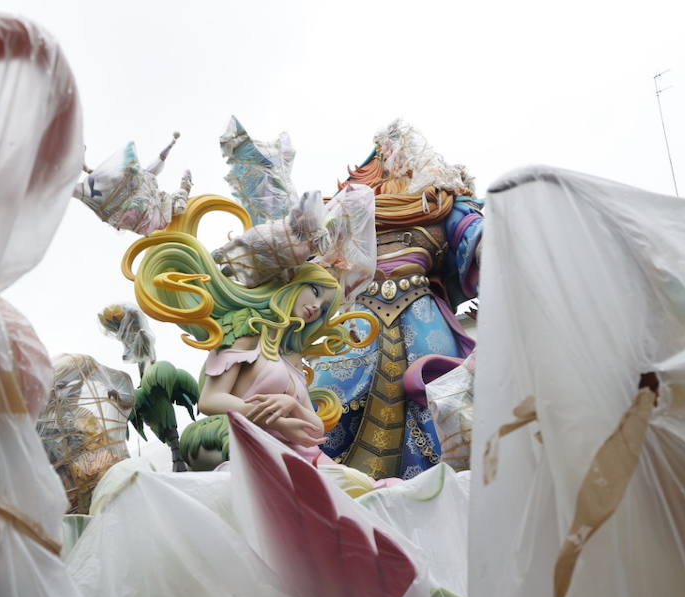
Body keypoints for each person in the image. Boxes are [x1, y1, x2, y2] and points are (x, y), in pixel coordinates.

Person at [123, 196, 376, 466]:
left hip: (304, 456)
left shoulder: (292, 355)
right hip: (253, 444)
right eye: (314, 291)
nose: (316, 306)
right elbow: (210, 401)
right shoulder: (249, 326)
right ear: (292, 286)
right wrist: (275, 420)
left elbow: (315, 430)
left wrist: (290, 406)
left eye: (325, 308)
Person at [311, 121, 483, 480]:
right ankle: (310, 472)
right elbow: (315, 260)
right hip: (359, 318)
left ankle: (441, 484)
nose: (393, 159)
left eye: (401, 152)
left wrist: (490, 239)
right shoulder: (350, 212)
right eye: (386, 154)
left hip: (421, 312)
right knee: (326, 397)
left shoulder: (439, 202)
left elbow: (471, 230)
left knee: (436, 397)